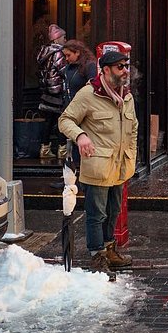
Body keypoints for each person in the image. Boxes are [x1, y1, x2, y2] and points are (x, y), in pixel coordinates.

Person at [58, 49, 138, 276]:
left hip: (120, 165)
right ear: (106, 70)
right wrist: (81, 136)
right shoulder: (88, 94)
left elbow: (133, 128)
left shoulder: (127, 96)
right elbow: (65, 120)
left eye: (126, 66)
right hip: (98, 166)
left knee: (113, 211)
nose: (125, 71)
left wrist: (132, 154)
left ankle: (110, 250)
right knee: (97, 214)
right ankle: (97, 256)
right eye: (120, 67)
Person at [36, 24, 66, 159]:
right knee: (62, 120)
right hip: (58, 91)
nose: (65, 40)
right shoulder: (59, 53)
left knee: (48, 121)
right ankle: (62, 149)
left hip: (46, 91)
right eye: (63, 37)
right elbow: (63, 71)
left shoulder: (44, 52)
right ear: (57, 38)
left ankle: (44, 149)